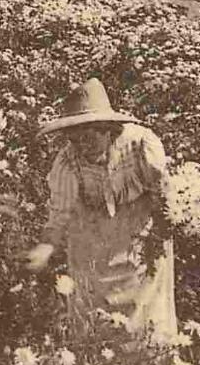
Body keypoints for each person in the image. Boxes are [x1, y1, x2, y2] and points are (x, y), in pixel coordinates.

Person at [24, 79, 178, 345]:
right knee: (93, 311)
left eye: (90, 135)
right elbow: (60, 211)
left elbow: (164, 195)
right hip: (91, 240)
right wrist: (45, 248)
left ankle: (149, 364)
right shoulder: (67, 160)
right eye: (75, 138)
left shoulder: (141, 146)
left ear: (108, 129)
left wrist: (159, 234)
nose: (83, 144)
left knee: (146, 314)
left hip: (141, 235)